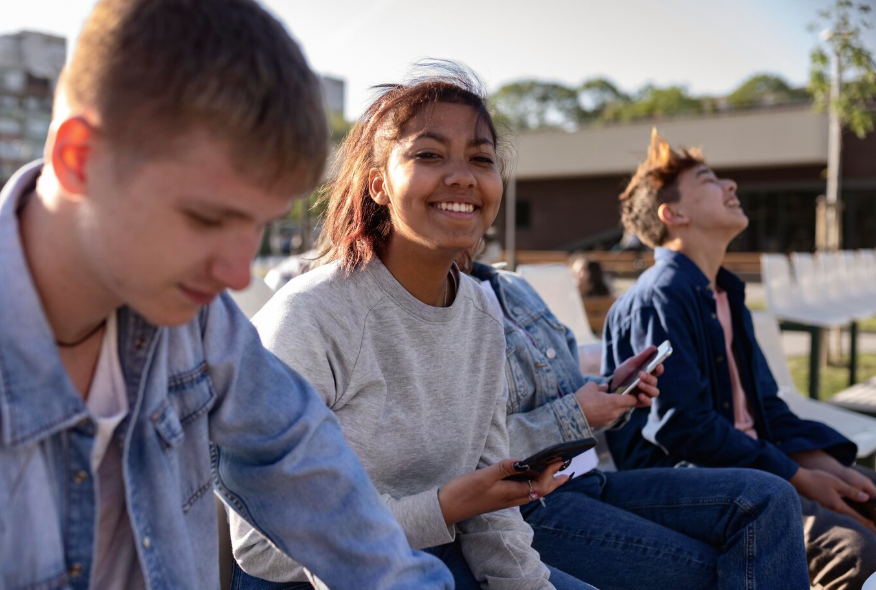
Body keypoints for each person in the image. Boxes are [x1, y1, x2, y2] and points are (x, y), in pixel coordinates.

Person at [0, 1, 454, 588]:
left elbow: (296, 457)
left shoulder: (190, 314)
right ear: (79, 159)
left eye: (257, 225)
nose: (238, 274)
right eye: (206, 219)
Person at [229, 64, 595, 590]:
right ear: (379, 185)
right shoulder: (311, 316)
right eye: (429, 154)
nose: (463, 176)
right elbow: (261, 545)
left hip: (434, 558)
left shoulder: (482, 313)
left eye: (481, 159)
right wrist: (443, 507)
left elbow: (492, 515)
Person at [603, 130, 876, 589]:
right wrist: (798, 477)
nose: (730, 185)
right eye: (709, 180)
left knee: (865, 494)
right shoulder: (659, 298)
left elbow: (767, 408)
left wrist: (826, 467)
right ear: (674, 214)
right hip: (695, 482)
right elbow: (684, 428)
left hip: (755, 466)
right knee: (857, 551)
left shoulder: (726, 293)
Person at [468, 259, 810, 590]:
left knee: (770, 497)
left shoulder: (510, 285)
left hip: (587, 479)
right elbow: (466, 452)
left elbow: (562, 388)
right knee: (737, 567)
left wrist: (610, 390)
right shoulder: (458, 305)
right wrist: (577, 415)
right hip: (526, 505)